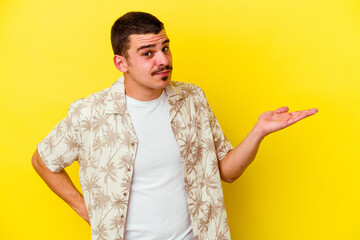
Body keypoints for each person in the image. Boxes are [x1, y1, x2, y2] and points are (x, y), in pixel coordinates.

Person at [32, 11, 318, 240]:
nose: (163, 60)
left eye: (165, 48)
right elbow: (43, 160)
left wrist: (258, 132)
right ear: (122, 63)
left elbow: (227, 172)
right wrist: (87, 210)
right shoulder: (91, 113)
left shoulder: (192, 99)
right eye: (148, 53)